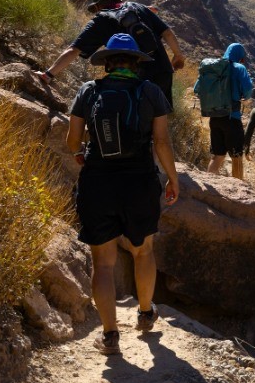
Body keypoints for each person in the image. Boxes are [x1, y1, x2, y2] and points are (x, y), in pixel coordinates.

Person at [66, 33, 179, 355]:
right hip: (140, 182)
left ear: (108, 63)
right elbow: (161, 142)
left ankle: (110, 334)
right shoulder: (150, 91)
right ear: (136, 62)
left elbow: (73, 141)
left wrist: (80, 152)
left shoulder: (89, 91)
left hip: (98, 182)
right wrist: (172, 179)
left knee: (102, 263)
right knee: (143, 250)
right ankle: (145, 314)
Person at [38, 0, 186, 105]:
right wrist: (178, 56)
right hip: (162, 70)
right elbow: (167, 33)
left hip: (132, 77)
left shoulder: (99, 21)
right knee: (160, 115)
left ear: (96, 6)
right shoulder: (138, 7)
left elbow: (73, 50)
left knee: (135, 118)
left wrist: (48, 75)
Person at [206, 42, 254, 180]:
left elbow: (197, 89)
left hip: (214, 117)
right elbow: (248, 90)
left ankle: (210, 185)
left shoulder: (212, 67)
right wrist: (245, 97)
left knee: (217, 156)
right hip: (232, 118)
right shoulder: (239, 68)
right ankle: (238, 190)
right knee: (237, 157)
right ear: (240, 56)